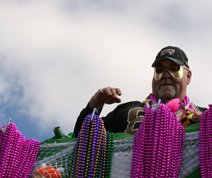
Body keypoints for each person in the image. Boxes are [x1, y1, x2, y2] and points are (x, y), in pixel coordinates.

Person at [73, 46, 203, 136]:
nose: (166, 75)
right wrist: (96, 103)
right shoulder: (126, 109)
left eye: (174, 69)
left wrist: (210, 124)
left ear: (188, 76)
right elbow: (82, 139)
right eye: (159, 70)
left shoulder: (207, 116)